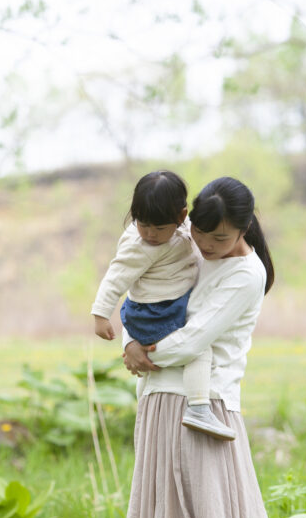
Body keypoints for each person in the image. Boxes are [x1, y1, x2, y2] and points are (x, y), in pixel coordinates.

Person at [116, 176, 293, 518]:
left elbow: (196, 340)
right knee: (160, 512)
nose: (206, 245)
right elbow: (141, 291)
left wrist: (144, 352)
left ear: (244, 228)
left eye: (219, 238)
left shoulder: (248, 273)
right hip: (158, 397)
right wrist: (127, 340)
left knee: (208, 515)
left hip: (205, 404)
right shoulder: (180, 243)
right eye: (199, 232)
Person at [91, 170, 235, 440]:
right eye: (143, 225)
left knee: (192, 344)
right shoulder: (140, 246)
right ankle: (199, 407)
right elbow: (115, 277)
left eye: (159, 228)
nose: (150, 234)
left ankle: (150, 397)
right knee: (199, 349)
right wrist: (101, 313)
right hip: (156, 312)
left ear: (181, 217)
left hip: (165, 305)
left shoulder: (181, 229)